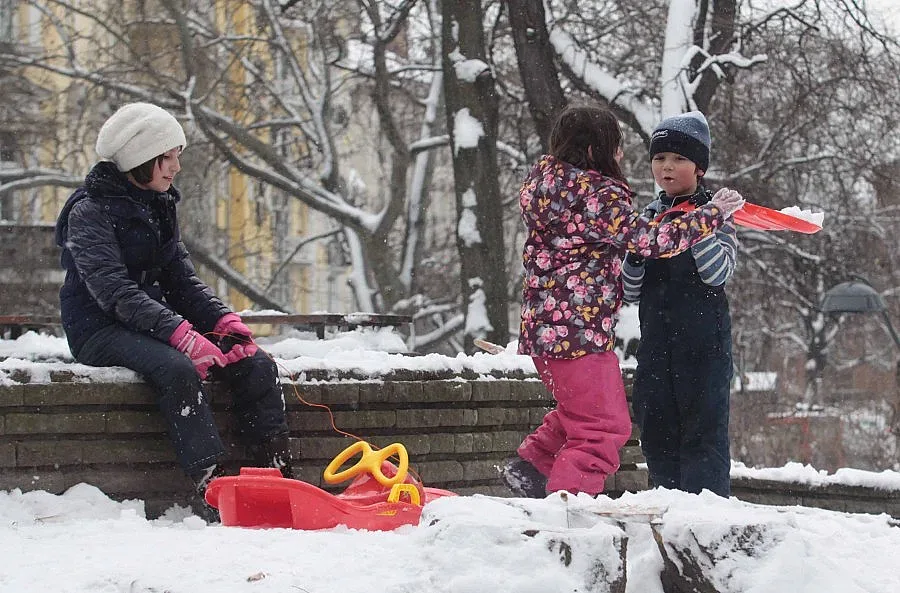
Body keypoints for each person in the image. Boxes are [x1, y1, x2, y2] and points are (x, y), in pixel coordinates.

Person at [54, 102, 294, 516]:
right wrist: (182, 336)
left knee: (254, 363)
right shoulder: (88, 211)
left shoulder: (158, 203)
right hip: (97, 329)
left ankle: (271, 472)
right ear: (140, 159)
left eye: (177, 156)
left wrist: (222, 322)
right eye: (168, 157)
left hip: (150, 322)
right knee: (178, 370)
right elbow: (114, 291)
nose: (176, 167)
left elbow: (180, 281)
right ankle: (211, 486)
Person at [501, 104, 744, 498]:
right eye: (617, 147)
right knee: (603, 427)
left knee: (582, 414)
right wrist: (711, 214)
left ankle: (534, 468)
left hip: (544, 332)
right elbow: (652, 242)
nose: (622, 157)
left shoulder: (548, 189)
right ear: (598, 150)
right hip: (578, 333)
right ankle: (567, 509)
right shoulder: (596, 196)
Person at [621, 110, 737, 497]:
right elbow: (630, 291)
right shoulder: (648, 217)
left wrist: (697, 224)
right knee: (656, 434)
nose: (667, 167)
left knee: (703, 437)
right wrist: (636, 253)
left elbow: (717, 273)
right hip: (656, 348)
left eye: (679, 159)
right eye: (659, 158)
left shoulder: (720, 215)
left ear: (699, 167)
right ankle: (666, 514)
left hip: (705, 349)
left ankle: (707, 523)